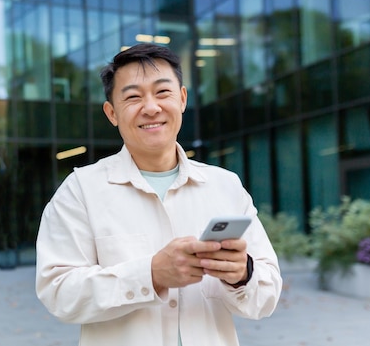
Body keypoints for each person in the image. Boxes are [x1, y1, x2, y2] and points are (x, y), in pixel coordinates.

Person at [35, 43, 282, 346]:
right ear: (111, 113)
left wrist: (243, 274)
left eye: (162, 92)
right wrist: (150, 275)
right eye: (133, 96)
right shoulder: (80, 191)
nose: (151, 107)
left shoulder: (225, 186)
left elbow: (267, 294)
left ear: (182, 99)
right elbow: (58, 292)